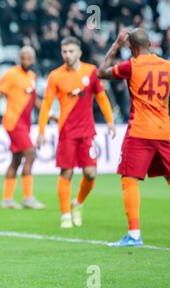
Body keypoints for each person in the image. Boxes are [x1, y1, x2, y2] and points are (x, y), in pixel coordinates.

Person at [97, 28, 170, 247]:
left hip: (139, 131)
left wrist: (116, 45)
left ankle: (134, 234)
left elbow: (101, 72)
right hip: (165, 130)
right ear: (150, 42)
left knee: (129, 179)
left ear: (131, 47)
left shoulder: (131, 66)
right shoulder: (167, 66)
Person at [37, 36, 116, 228]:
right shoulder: (55, 75)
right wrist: (41, 131)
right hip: (66, 132)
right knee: (67, 173)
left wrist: (110, 121)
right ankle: (65, 215)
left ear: (79, 52)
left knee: (90, 174)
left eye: (71, 51)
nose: (67, 55)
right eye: (64, 51)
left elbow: (102, 97)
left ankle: (77, 203)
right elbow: (46, 104)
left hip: (87, 131)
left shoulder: (91, 71)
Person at [0, 46, 45, 210]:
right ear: (19, 58)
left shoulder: (32, 76)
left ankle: (7, 199)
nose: (26, 61)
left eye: (29, 58)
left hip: (25, 124)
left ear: (33, 60)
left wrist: (49, 114)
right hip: (14, 123)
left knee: (16, 159)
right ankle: (28, 198)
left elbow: (34, 100)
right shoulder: (11, 74)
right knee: (31, 153)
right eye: (23, 58)